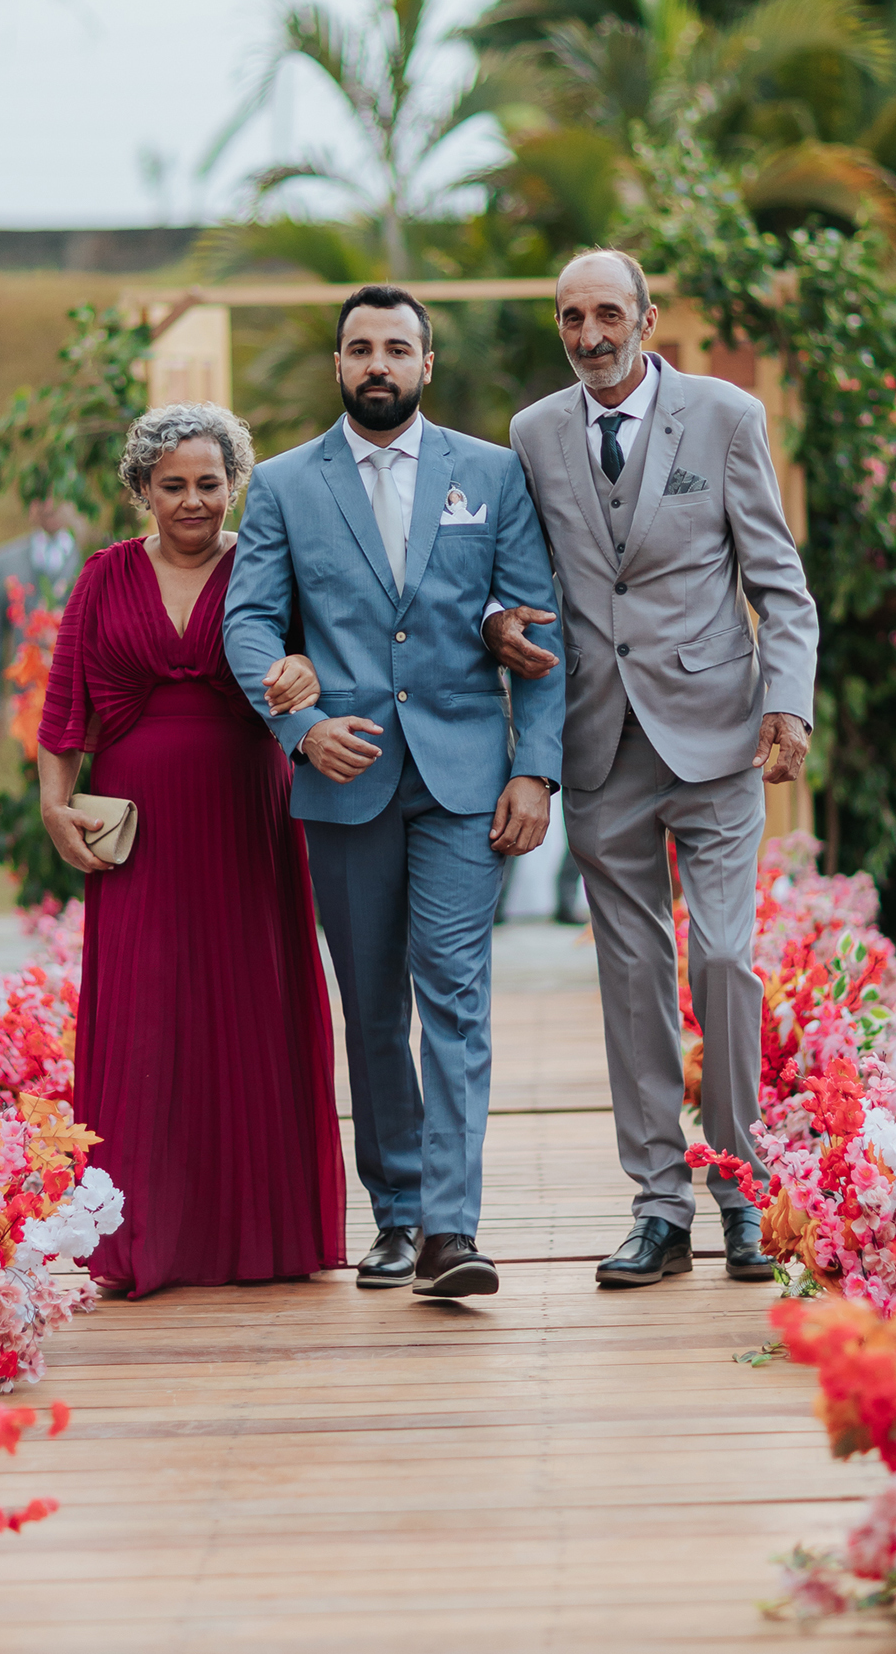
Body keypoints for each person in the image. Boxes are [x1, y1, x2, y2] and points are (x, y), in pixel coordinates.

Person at [224, 284, 566, 1299]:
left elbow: (537, 630)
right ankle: (398, 1212)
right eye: (360, 347)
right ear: (340, 367)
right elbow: (249, 624)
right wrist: (298, 725)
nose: (379, 363)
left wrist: (534, 769)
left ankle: (451, 1233)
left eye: (398, 348)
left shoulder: (491, 476)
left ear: (427, 365)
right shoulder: (285, 487)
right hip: (346, 779)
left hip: (466, 779)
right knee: (372, 1006)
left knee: (453, 995)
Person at [487, 248, 818, 1289]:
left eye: (607, 314)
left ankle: (742, 1187)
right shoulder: (533, 434)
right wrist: (500, 622)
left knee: (722, 959)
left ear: (647, 316)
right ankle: (661, 1205)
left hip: (717, 734)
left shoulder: (723, 417)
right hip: (599, 740)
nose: (589, 334)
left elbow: (778, 580)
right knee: (630, 976)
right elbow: (516, 573)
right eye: (571, 317)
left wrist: (789, 703)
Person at [36, 402, 346, 1296]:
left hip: (251, 814)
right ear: (141, 490)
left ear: (235, 485)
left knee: (253, 1004)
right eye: (172, 485)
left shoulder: (265, 567)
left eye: (209, 483)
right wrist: (57, 808)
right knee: (145, 1015)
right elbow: (63, 709)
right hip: (139, 828)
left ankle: (264, 1237)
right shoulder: (101, 578)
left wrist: (306, 673)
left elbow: (321, 658)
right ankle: (143, 1239)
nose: (193, 501)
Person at [0, 496, 84, 737]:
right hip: (27, 700)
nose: (50, 506)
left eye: (59, 497)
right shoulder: (5, 561)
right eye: (41, 498)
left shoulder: (93, 554)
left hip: (82, 698)